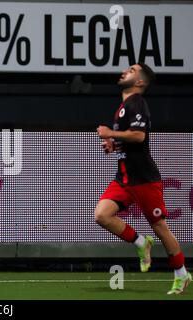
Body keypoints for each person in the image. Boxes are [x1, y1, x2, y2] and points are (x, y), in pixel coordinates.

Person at [95, 63, 191, 294]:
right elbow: (130, 141)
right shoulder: (123, 107)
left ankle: (181, 273)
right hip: (124, 178)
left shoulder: (137, 103)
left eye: (131, 70)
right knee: (101, 215)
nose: (125, 71)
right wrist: (114, 145)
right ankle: (140, 242)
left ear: (139, 82)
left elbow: (139, 136)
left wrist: (110, 133)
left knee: (159, 226)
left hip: (144, 178)